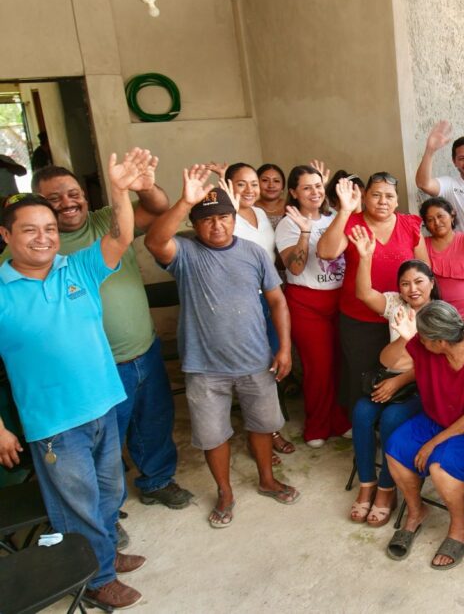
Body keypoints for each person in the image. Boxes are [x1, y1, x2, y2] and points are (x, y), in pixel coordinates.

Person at [0, 150, 151, 609]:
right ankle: (96, 578)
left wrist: (121, 190)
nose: (44, 238)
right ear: (6, 235)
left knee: (109, 491)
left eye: (49, 229)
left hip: (104, 403)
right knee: (77, 504)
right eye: (30, 230)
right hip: (56, 425)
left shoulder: (77, 268)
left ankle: (102, 552)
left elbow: (123, 235)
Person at [25, 160, 193, 512]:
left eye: (74, 194)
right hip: (95, 366)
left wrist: (144, 184)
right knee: (103, 443)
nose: (68, 202)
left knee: (154, 422)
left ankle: (157, 480)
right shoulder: (36, 247)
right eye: (54, 198)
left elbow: (156, 206)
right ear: (38, 204)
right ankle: (107, 512)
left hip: (143, 348)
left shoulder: (106, 220)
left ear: (85, 197)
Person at [145, 168, 298, 528]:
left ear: (234, 218)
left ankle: (266, 479)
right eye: (208, 220)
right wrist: (185, 201)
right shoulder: (184, 252)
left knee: (262, 426)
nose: (217, 226)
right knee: (214, 435)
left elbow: (277, 302)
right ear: (195, 225)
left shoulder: (255, 253)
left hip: (256, 360)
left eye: (224, 218)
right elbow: (154, 240)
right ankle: (225, 492)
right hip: (204, 367)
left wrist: (285, 349)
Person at [384, 301, 464, 570]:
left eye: (422, 337)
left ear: (441, 341)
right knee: (395, 448)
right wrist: (405, 337)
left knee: (442, 466)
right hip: (439, 415)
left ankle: (460, 526)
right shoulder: (428, 345)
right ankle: (416, 511)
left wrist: (434, 443)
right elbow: (387, 360)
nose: (419, 340)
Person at [348, 225, 439, 527]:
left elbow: (436, 367)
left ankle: (387, 490)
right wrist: (366, 257)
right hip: (388, 375)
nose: (412, 289)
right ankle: (366, 485)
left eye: (418, 282)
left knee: (389, 420)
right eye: (405, 284)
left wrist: (398, 381)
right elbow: (363, 293)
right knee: (361, 412)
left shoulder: (441, 315)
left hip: (419, 387)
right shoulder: (396, 305)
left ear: (431, 283)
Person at [318, 172, 429, 413]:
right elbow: (326, 252)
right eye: (376, 195)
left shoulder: (410, 224)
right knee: (361, 374)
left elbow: (424, 271)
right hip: (360, 318)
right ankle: (364, 427)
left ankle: (388, 426)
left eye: (389, 196)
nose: (382, 201)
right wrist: (345, 211)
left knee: (397, 372)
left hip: (402, 320)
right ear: (365, 196)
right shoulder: (352, 222)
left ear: (397, 201)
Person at [223, 162, 294, 460]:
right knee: (251, 367)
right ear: (228, 186)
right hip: (241, 303)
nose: (250, 189)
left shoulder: (262, 214)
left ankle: (267, 427)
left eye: (254, 183)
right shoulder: (225, 217)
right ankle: (263, 435)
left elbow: (271, 256)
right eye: (242, 184)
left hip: (269, 297)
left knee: (272, 362)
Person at [276, 165, 350, 447]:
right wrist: (305, 233)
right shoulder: (288, 223)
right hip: (307, 304)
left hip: (339, 301)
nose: (314, 192)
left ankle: (341, 420)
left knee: (341, 365)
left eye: (318, 186)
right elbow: (293, 268)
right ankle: (317, 426)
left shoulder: (334, 217)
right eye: (306, 187)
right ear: (294, 192)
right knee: (318, 367)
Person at [420, 192, 464, 327]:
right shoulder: (423, 245)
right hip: (438, 315)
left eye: (440, 216)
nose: (436, 222)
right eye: (430, 220)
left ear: (452, 215)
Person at [255, 163, 288, 228]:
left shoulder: (292, 206)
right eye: (265, 180)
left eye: (276, 181)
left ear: (283, 187)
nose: (271, 185)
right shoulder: (250, 208)